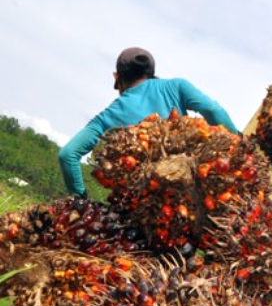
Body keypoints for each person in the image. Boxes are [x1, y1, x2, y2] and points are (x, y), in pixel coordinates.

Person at [59, 47, 238, 197]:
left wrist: (81, 201)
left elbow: (68, 155)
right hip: (194, 190)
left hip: (147, 211)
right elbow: (214, 111)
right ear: (151, 74)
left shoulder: (107, 117)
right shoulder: (176, 86)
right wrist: (239, 143)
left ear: (117, 78)